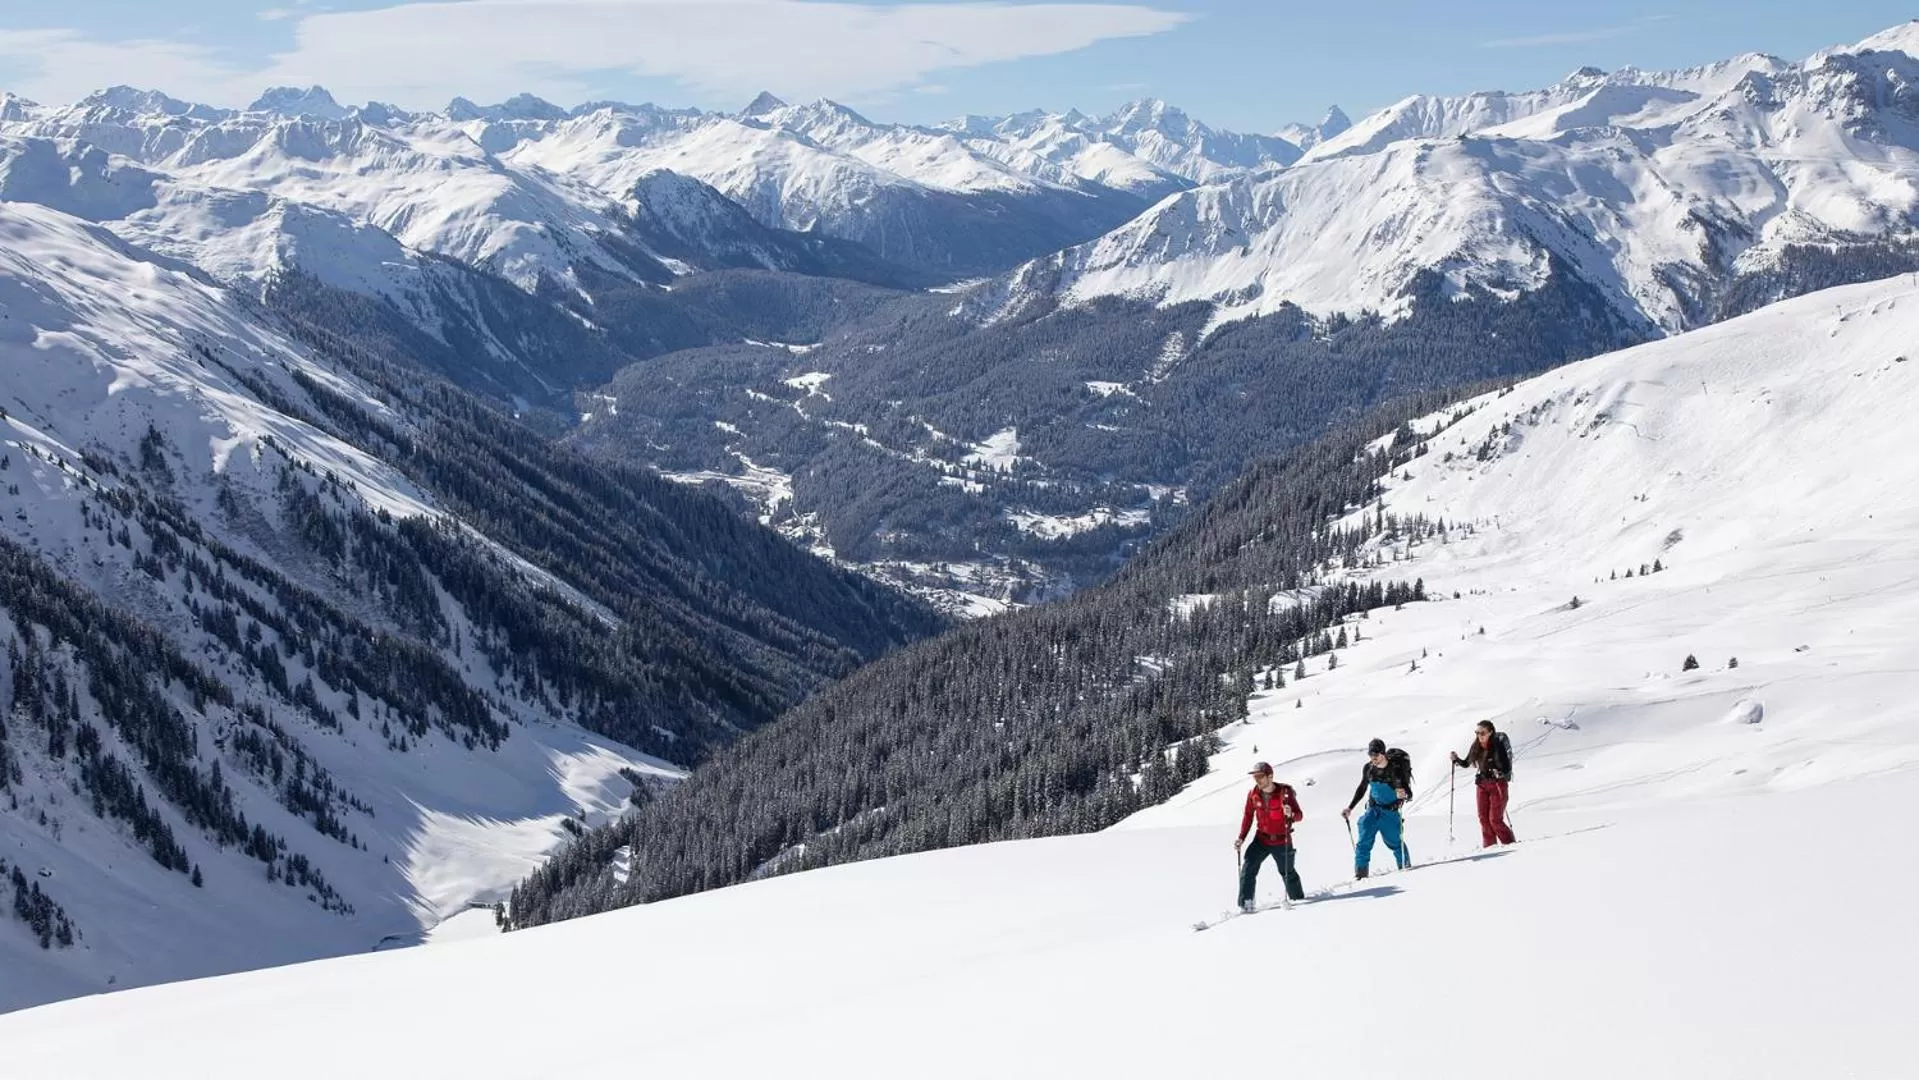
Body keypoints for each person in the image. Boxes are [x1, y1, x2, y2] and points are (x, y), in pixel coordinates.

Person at [1235, 762, 1304, 912]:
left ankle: (1298, 900)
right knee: (1248, 868)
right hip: (1261, 839)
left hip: (1281, 840)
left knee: (1287, 872)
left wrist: (1290, 813)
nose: (1257, 780)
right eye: (1255, 777)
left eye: (1260, 776)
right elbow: (1248, 816)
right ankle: (1246, 905)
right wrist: (1241, 837)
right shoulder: (1253, 794)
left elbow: (1299, 816)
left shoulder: (1285, 793)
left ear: (1270, 776)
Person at [1342, 738, 1411, 879]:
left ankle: (1406, 870)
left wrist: (1403, 794)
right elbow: (1362, 788)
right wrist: (1350, 807)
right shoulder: (1368, 768)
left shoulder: (1394, 770)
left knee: (1395, 842)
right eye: (1371, 755)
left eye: (1376, 755)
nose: (1373, 758)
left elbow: (1409, 793)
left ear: (1383, 753)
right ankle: (1360, 875)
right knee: (1363, 841)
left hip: (1390, 813)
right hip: (1373, 810)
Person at [1451, 720, 1517, 847]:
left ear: (1490, 732)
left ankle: (1511, 845)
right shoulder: (1476, 745)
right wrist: (1456, 759)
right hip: (1482, 784)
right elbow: (1466, 763)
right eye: (1477, 732)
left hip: (1498, 784)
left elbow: (1507, 768)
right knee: (1483, 820)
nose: (1479, 735)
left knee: (1495, 820)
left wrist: (1499, 771)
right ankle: (1490, 848)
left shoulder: (1497, 745)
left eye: (1482, 732)